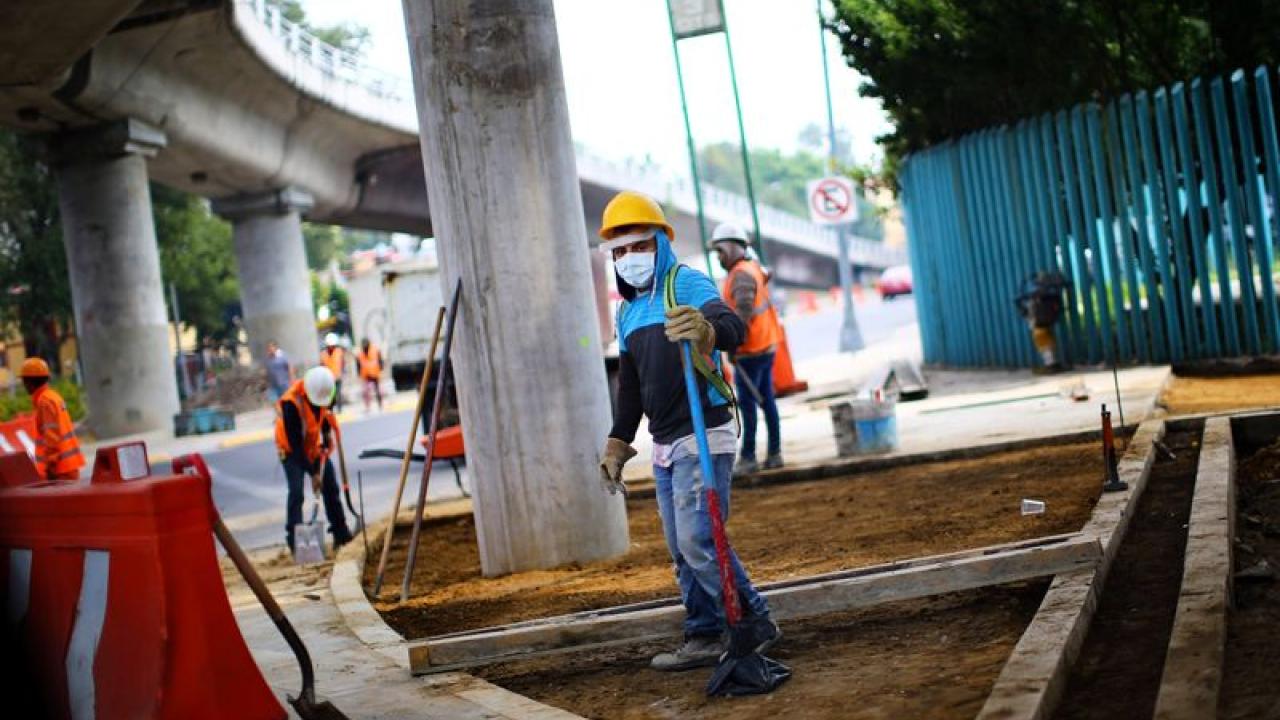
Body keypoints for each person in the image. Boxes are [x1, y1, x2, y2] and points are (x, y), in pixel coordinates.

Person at [595, 190, 779, 671]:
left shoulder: (686, 284)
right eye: (619, 252)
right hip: (665, 443)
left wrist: (704, 330)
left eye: (639, 246)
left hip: (704, 435)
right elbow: (631, 387)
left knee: (700, 538)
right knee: (681, 548)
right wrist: (618, 441)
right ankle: (702, 632)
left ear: (660, 243)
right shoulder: (628, 311)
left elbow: (731, 327)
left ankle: (754, 619)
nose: (629, 259)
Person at [708, 222, 785, 475]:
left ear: (730, 248)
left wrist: (731, 341)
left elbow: (743, 311)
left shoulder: (741, 275)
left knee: (749, 405)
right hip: (765, 345)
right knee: (767, 401)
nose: (718, 257)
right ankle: (775, 453)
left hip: (751, 350)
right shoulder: (751, 268)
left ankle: (749, 457)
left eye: (719, 251)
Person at [275, 366, 353, 554]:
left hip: (313, 446)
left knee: (330, 486)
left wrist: (326, 435)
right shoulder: (291, 403)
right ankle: (295, 540)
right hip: (291, 449)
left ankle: (341, 533)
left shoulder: (325, 391)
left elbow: (325, 415)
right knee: (296, 492)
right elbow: (295, 444)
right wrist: (313, 473)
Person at [19, 358, 85, 481]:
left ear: (30, 382)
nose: (24, 385)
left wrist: (49, 468)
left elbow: (51, 437)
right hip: (67, 466)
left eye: (24, 381)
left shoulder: (44, 402)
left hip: (59, 469)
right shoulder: (52, 396)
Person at [1015, 272, 1068, 373]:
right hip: (1045, 322)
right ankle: (1052, 363)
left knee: (1043, 343)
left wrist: (1025, 312)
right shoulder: (1049, 295)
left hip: (1038, 324)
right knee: (1047, 342)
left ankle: (1051, 364)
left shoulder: (1035, 296)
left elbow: (1023, 307)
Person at [320, 333, 346, 413]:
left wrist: (343, 372)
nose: (331, 347)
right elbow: (322, 365)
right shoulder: (323, 354)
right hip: (328, 378)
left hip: (337, 377)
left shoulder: (339, 351)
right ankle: (330, 410)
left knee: (338, 394)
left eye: (333, 345)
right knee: (331, 395)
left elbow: (342, 363)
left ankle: (339, 410)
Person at [356, 339, 383, 412]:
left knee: (378, 390)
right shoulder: (360, 354)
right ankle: (367, 407)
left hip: (375, 373)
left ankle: (380, 404)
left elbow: (380, 361)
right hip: (366, 375)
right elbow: (358, 365)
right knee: (366, 391)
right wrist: (359, 374)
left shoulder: (375, 350)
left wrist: (381, 369)